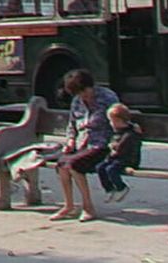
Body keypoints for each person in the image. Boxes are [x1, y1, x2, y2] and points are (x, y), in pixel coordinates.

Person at [49, 69, 118, 222]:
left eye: (84, 92)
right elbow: (72, 124)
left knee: (74, 164)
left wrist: (115, 145)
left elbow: (118, 123)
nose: (83, 96)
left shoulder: (108, 98)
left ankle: (88, 207)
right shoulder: (77, 101)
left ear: (90, 86)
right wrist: (71, 140)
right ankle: (69, 206)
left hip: (101, 145)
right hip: (82, 144)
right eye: (78, 94)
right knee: (61, 164)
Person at [96, 103, 142, 203]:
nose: (110, 124)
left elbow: (122, 148)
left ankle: (121, 187)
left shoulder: (130, 134)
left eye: (111, 121)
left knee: (111, 169)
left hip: (128, 159)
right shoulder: (118, 131)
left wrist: (113, 148)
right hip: (117, 158)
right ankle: (109, 189)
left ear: (118, 120)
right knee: (100, 167)